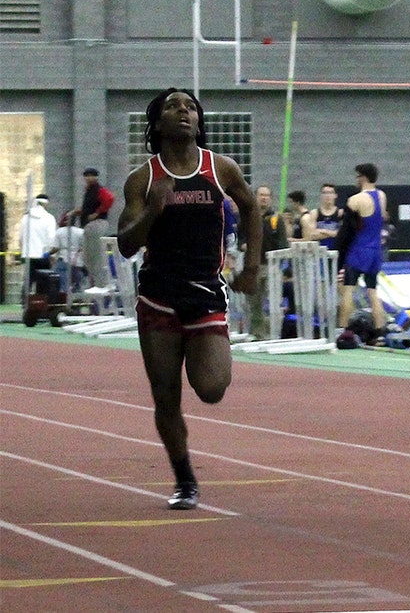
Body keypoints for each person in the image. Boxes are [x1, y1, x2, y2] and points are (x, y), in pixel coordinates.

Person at [116, 87, 262, 509]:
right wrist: (151, 211)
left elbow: (251, 208)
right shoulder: (143, 179)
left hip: (205, 294)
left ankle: (185, 470)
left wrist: (251, 267)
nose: (184, 111)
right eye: (173, 106)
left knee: (213, 388)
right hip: (159, 299)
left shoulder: (221, 168)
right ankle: (184, 478)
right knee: (166, 397)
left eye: (190, 107)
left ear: (199, 121)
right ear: (157, 123)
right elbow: (126, 243)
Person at [337, 163, 388, 332]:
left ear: (363, 177)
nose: (356, 180)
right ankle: (380, 330)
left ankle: (343, 330)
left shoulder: (355, 200)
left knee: (348, 290)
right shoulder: (382, 196)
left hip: (359, 250)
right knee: (372, 292)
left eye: (357, 176)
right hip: (375, 252)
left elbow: (347, 232)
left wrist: (339, 255)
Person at [246, 185, 289, 339]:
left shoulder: (277, 219)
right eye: (261, 195)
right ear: (255, 197)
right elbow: (240, 238)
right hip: (253, 266)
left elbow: (283, 244)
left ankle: (274, 333)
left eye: (267, 195)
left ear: (270, 198)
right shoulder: (248, 216)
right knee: (254, 302)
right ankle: (258, 333)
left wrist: (282, 267)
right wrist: (242, 245)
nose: (264, 198)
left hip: (272, 266)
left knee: (274, 302)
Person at [72, 167, 115, 288]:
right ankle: (96, 283)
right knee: (89, 256)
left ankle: (102, 284)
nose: (88, 178)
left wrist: (97, 213)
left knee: (96, 255)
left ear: (95, 177)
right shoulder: (89, 190)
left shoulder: (98, 189)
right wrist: (81, 212)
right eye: (86, 176)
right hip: (89, 225)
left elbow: (109, 199)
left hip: (96, 224)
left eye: (90, 175)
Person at [50, 212, 87, 294]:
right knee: (78, 283)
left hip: (63, 260)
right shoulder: (81, 232)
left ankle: (64, 299)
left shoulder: (59, 232)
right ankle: (78, 299)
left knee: (63, 284)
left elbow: (56, 248)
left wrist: (48, 253)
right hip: (77, 262)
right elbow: (84, 247)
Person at [19, 193, 57, 272]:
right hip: (43, 255)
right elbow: (51, 238)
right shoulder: (49, 218)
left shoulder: (25, 217)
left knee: (28, 281)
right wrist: (52, 255)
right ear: (46, 204)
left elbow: (21, 237)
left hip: (28, 255)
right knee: (43, 281)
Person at [301, 183, 343, 250]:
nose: (327, 196)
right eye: (325, 193)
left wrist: (322, 231)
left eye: (330, 193)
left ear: (335, 195)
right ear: (321, 196)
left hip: (336, 251)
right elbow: (312, 235)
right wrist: (333, 233)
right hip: (319, 253)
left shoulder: (340, 213)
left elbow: (341, 234)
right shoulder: (314, 213)